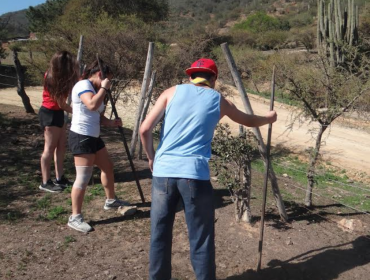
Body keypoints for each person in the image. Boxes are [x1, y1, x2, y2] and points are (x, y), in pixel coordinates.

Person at [140, 58, 277, 280]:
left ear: (190, 77)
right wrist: (269, 118)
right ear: (214, 79)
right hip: (194, 176)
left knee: (159, 234)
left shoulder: (170, 92)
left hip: (163, 173)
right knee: (201, 238)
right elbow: (248, 120)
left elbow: (144, 129)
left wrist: (151, 157)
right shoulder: (219, 100)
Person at [67, 59, 130, 233]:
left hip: (93, 136)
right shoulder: (83, 85)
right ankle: (75, 217)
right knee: (83, 178)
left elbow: (97, 115)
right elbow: (92, 104)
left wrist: (111, 123)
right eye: (107, 79)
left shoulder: (96, 89)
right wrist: (104, 87)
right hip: (81, 136)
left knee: (107, 167)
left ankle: (111, 200)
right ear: (100, 75)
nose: (109, 84)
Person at [39, 51, 79, 193]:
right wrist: (78, 111)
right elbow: (61, 103)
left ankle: (59, 177)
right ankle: (45, 181)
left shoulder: (62, 77)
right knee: (49, 148)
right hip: (50, 113)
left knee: (61, 146)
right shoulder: (51, 77)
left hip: (58, 113)